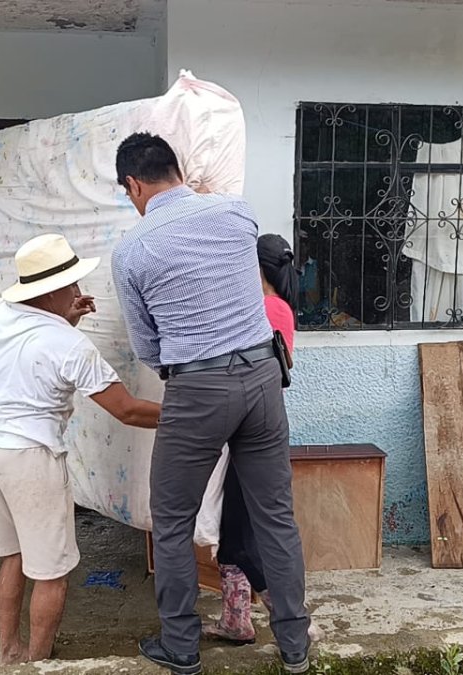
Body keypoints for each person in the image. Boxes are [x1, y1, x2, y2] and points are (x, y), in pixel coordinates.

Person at [111, 133, 312, 675]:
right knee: (275, 516)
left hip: (198, 387)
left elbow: (147, 346)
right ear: (177, 169)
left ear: (132, 184)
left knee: (173, 521)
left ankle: (180, 648)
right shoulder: (236, 213)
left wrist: (193, 368)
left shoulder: (131, 251)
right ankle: (295, 646)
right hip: (264, 375)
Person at [0, 233, 161, 666]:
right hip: (31, 459)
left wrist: (64, 318)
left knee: (14, 556)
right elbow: (127, 411)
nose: (78, 292)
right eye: (71, 286)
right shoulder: (69, 345)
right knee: (52, 573)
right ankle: (38, 663)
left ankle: (8, 654)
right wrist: (189, 417)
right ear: (51, 292)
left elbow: (29, 354)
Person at [204, 233, 300, 644]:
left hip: (247, 435)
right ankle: (236, 621)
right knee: (235, 532)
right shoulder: (281, 308)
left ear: (254, 267)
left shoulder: (261, 308)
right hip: (262, 428)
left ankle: (290, 618)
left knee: (241, 537)